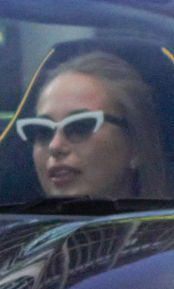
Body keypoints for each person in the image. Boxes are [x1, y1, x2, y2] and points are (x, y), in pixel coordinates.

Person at [16, 50, 165, 199]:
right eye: (43, 131)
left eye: (79, 127)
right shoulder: (6, 220)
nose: (54, 146)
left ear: (136, 146)